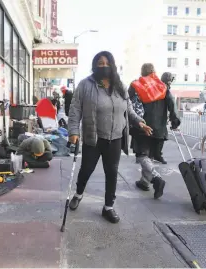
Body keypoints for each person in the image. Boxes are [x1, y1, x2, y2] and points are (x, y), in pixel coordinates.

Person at [67, 51, 152, 223]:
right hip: (94, 136)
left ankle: (108, 207)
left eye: (107, 63)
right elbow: (75, 109)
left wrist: (139, 122)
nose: (103, 66)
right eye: (100, 63)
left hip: (115, 137)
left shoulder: (119, 85)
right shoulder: (85, 85)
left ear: (112, 65)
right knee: (86, 169)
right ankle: (78, 193)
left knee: (112, 172)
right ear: (94, 65)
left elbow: (128, 109)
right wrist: (73, 132)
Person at [128, 66, 180, 197]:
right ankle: (144, 182)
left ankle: (157, 179)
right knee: (149, 156)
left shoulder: (136, 85)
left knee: (141, 155)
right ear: (153, 72)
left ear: (142, 72)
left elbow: (128, 105)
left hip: (142, 127)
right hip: (159, 128)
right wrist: (175, 120)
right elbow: (171, 103)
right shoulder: (163, 86)